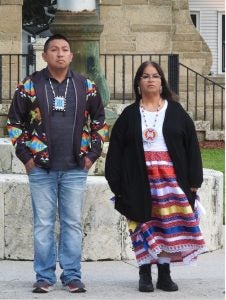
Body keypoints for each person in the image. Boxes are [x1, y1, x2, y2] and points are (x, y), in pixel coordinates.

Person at [7, 34, 108, 294]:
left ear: (71, 56)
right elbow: (14, 124)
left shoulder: (86, 86)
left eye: (65, 49)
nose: (60, 54)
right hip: (40, 168)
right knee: (43, 223)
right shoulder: (29, 86)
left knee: (72, 223)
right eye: (54, 49)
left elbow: (99, 123)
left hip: (76, 167)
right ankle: (44, 276)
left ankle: (72, 275)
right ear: (45, 55)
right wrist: (27, 159)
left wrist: (91, 156)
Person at [105, 61, 206, 293]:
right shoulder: (129, 115)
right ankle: (144, 274)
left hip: (170, 182)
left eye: (155, 76)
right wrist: (118, 186)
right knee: (142, 228)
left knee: (166, 229)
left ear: (162, 82)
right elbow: (116, 153)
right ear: (138, 83)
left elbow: (192, 148)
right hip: (139, 181)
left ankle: (164, 274)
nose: (150, 79)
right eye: (145, 76)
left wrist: (193, 182)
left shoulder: (177, 112)